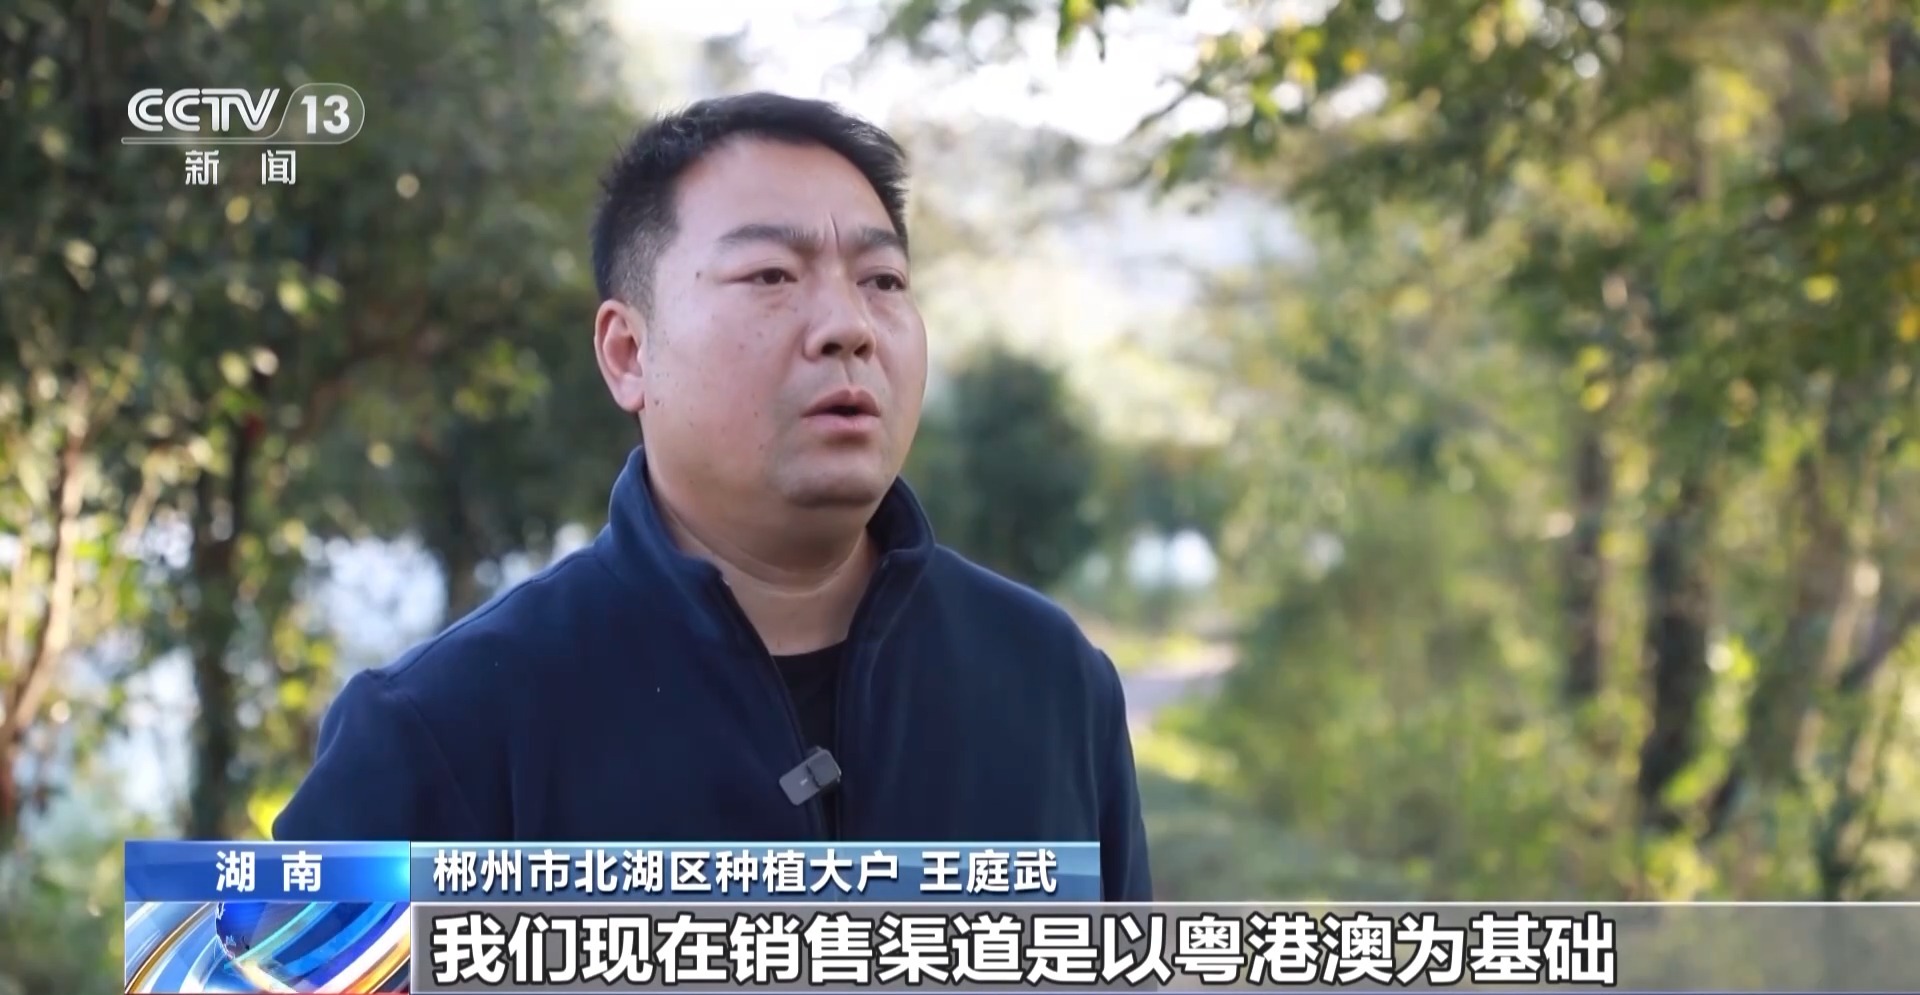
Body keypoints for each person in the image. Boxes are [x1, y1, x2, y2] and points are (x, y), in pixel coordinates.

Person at [273, 92, 1152, 901]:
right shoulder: (441, 731)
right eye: (771, 275)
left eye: (882, 281)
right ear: (628, 353)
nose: (848, 326)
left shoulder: (1050, 681)